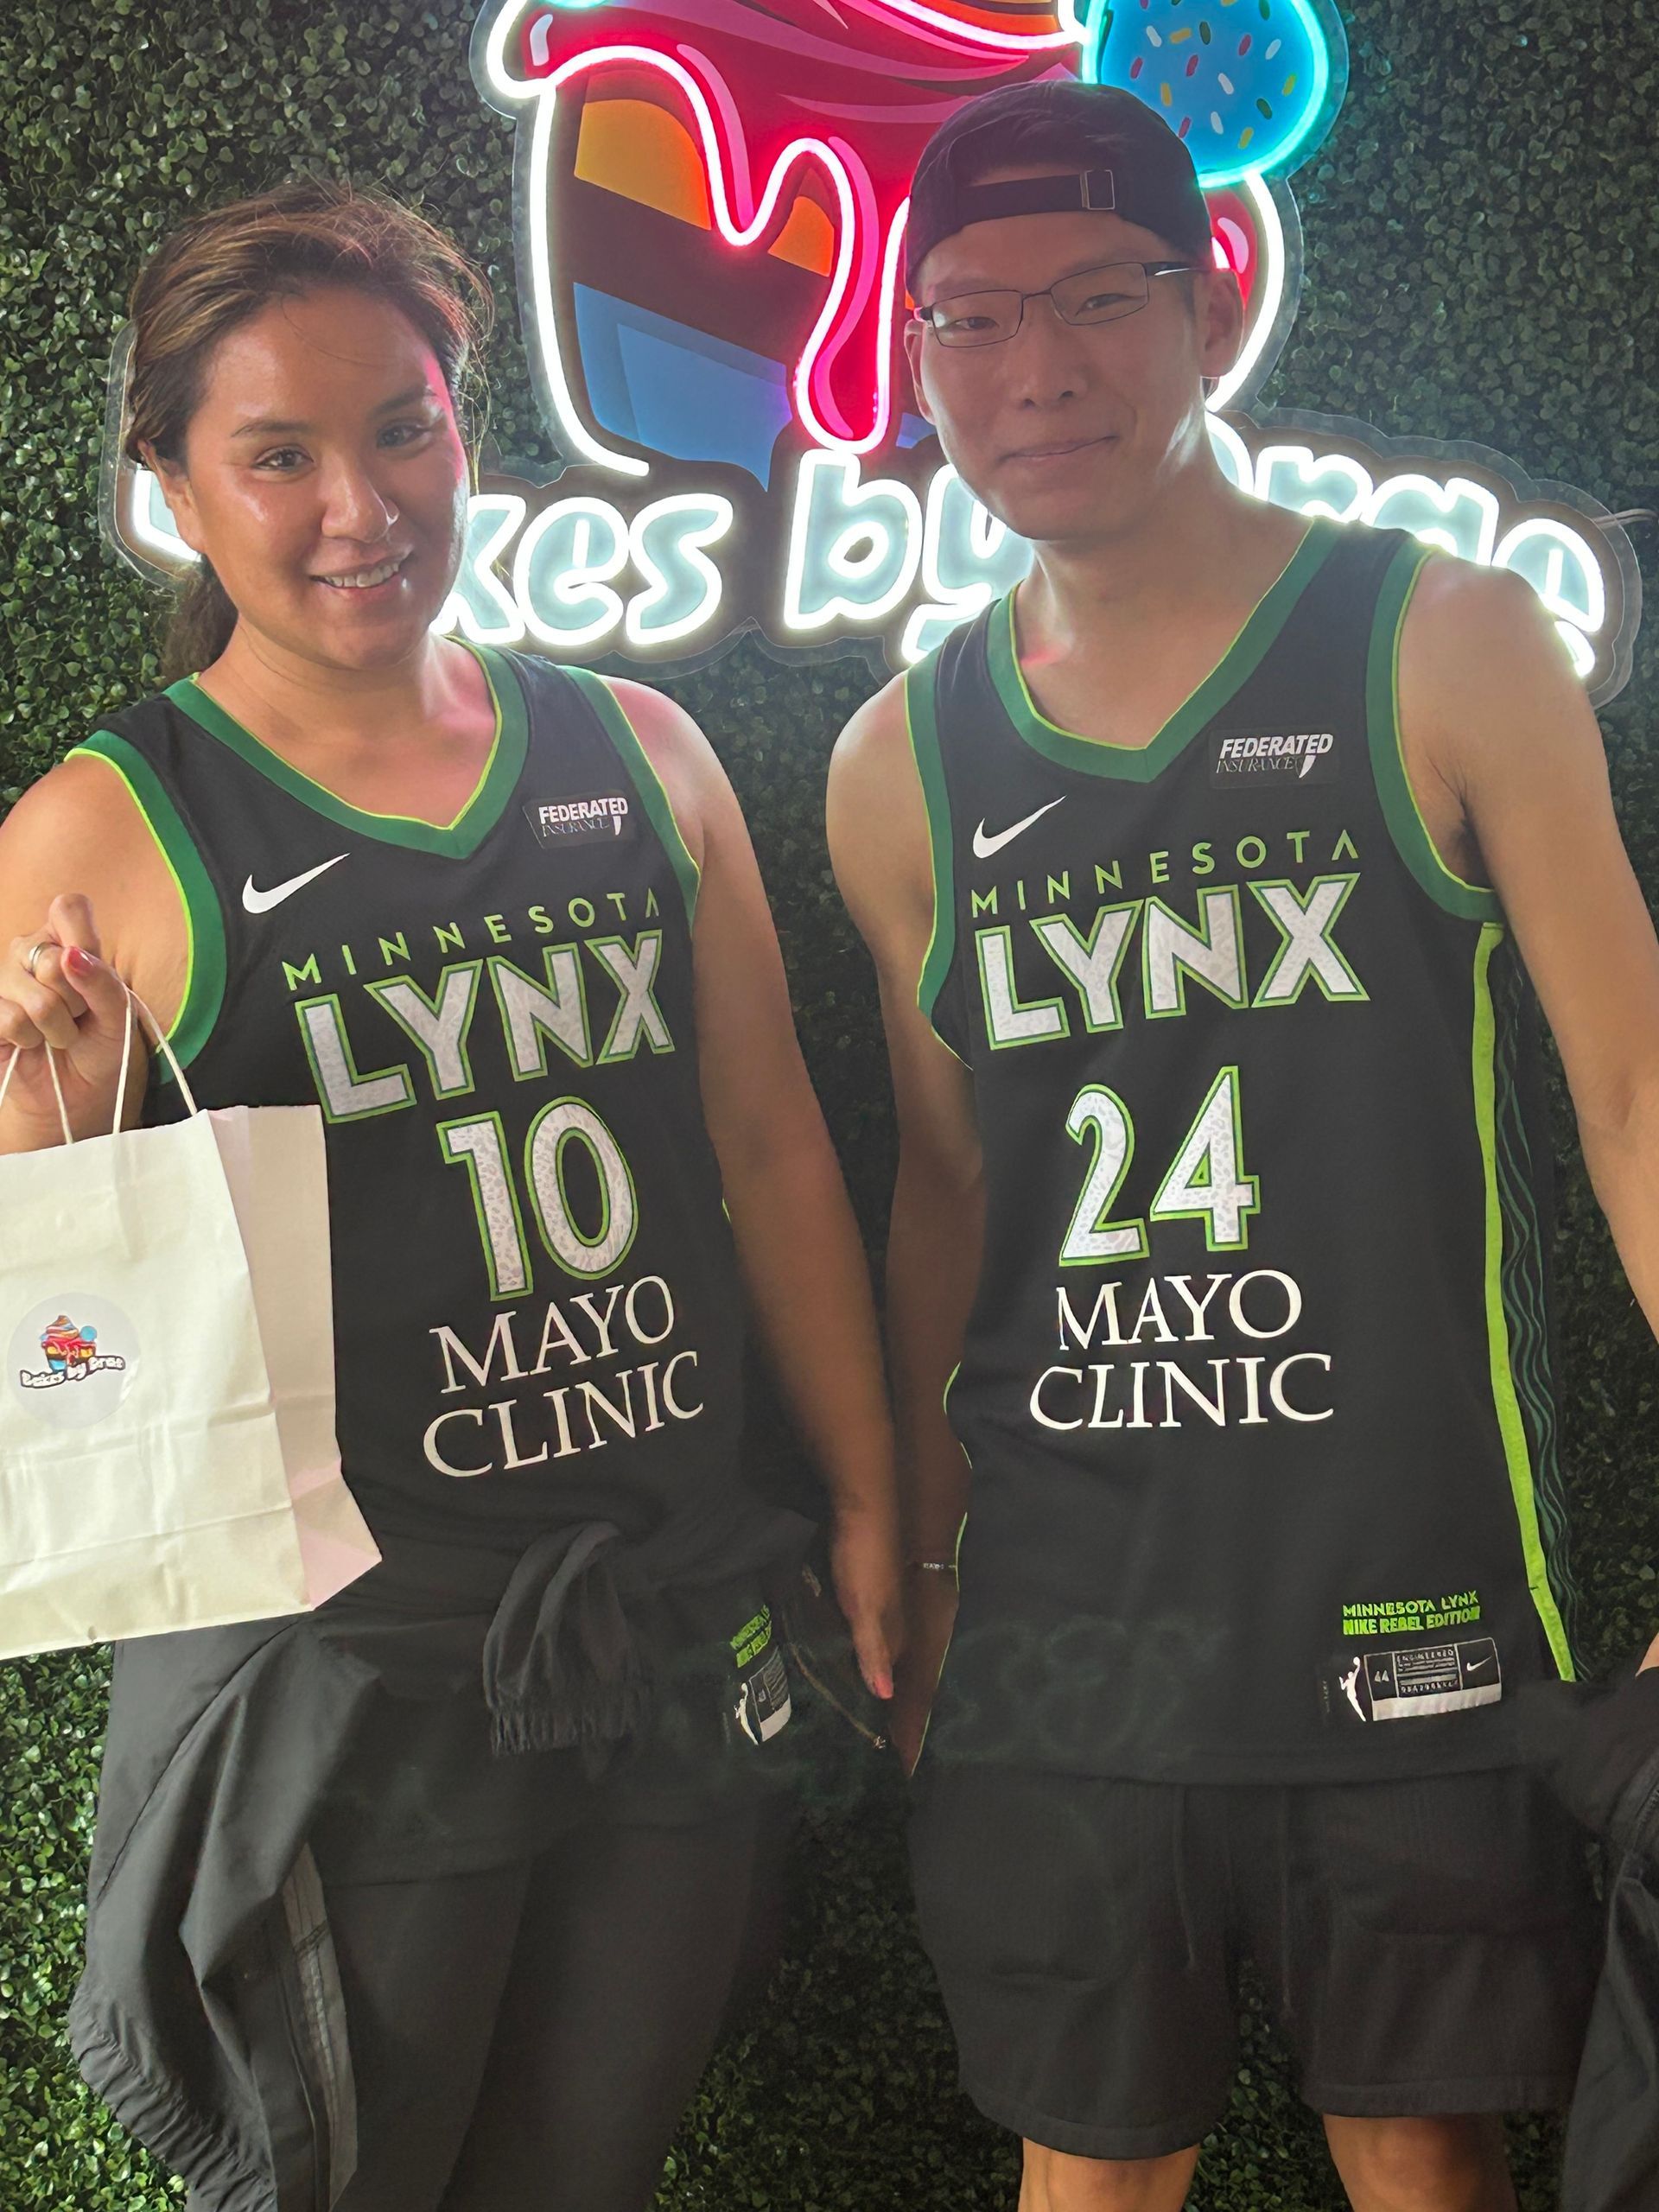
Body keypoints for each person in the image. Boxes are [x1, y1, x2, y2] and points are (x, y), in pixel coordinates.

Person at [0, 179, 900, 2212]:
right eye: (279, 455)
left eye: (403, 428)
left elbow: (768, 1151)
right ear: (175, 484)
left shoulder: (640, 753)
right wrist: (57, 1132)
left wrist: (865, 1498)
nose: (360, 505)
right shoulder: (106, 821)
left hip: (670, 1617)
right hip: (358, 1678)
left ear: (464, 422)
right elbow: (45, 1332)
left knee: (583, 2176)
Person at [828, 78, 1657, 2212]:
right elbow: (948, 1195)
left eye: (1098, 301)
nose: (1039, 372)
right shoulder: (896, 763)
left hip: (1413, 1589)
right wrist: (918, 1559)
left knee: (1425, 2147)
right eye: (973, 320)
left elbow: (1637, 1096)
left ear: (1209, 315)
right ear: (918, 358)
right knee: (1090, 2161)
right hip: (1072, 1623)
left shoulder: (1442, 640)